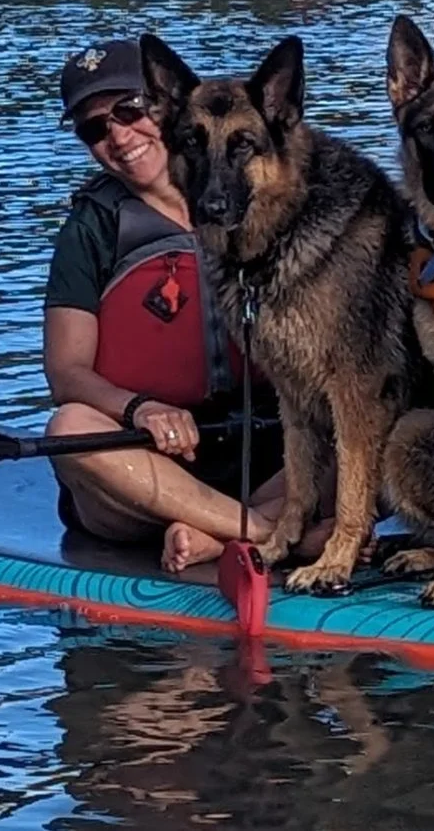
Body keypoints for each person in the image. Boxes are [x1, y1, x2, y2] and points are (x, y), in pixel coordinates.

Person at [43, 38, 298, 573]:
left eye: (129, 111)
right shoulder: (91, 229)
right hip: (151, 464)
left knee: (377, 413)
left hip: (273, 452)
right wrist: (143, 410)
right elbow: (66, 374)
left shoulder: (263, 197)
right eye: (94, 129)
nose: (118, 135)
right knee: (69, 428)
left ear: (164, 107)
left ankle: (216, 533)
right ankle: (267, 533)